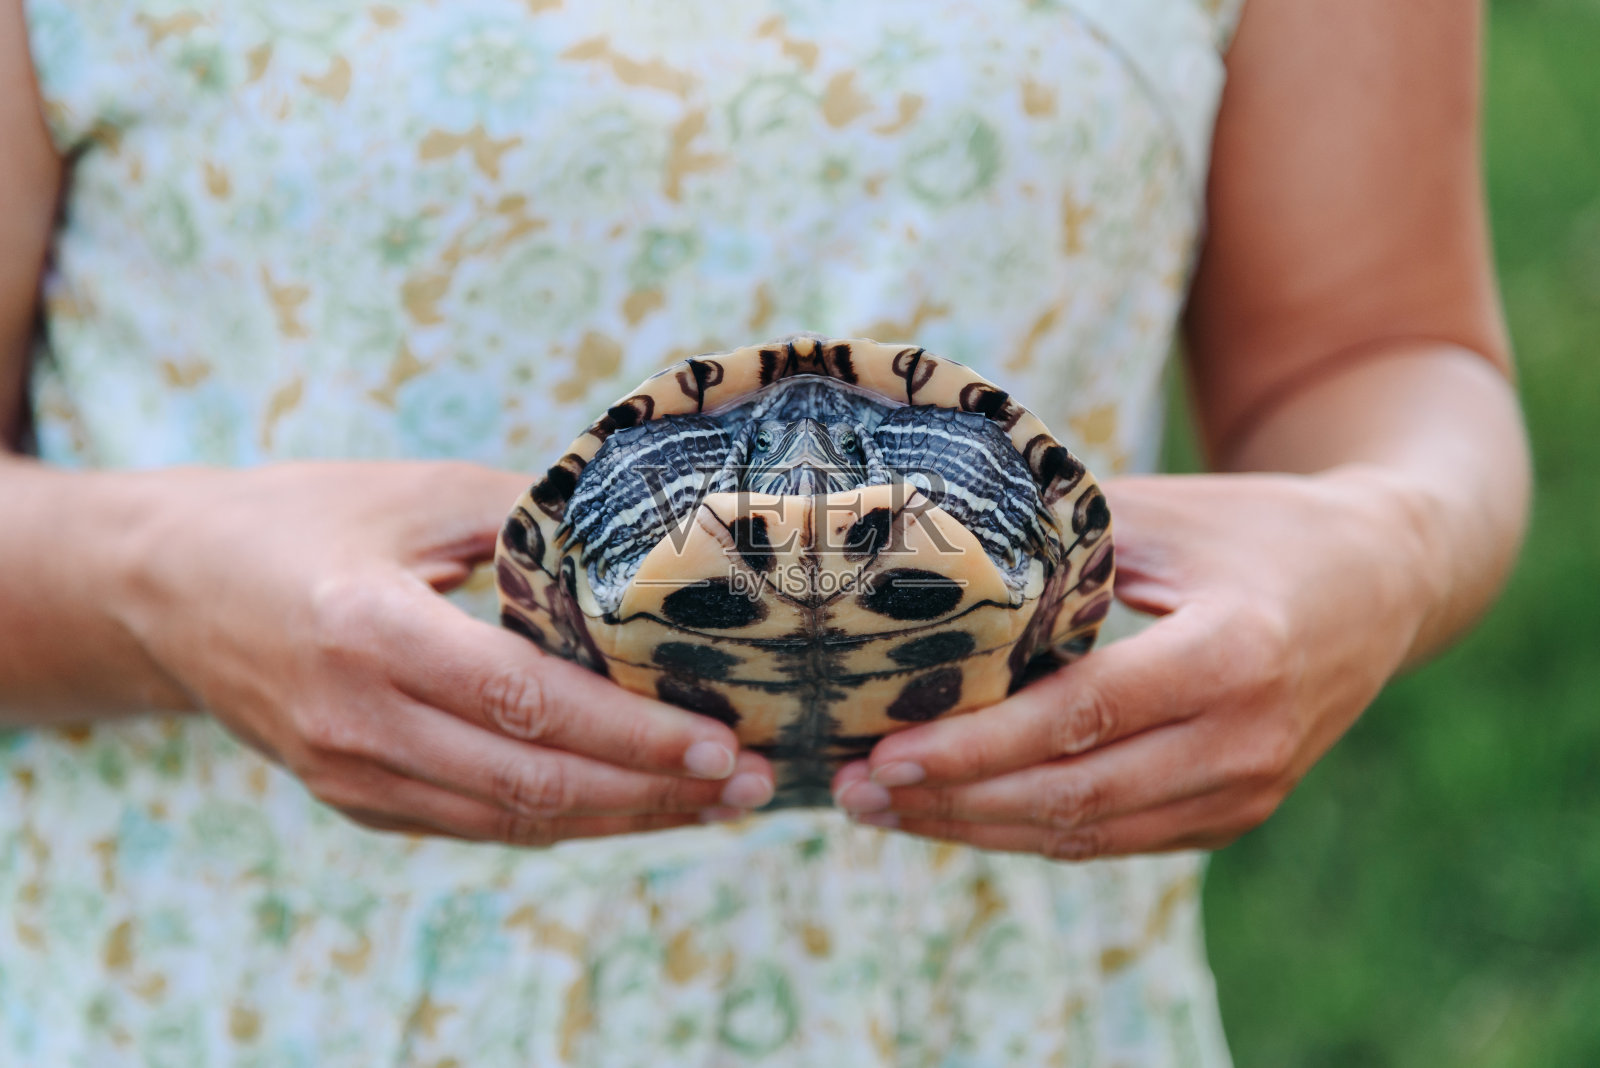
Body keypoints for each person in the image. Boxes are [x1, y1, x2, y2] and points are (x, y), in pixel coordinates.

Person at [0, 0, 1528, 1063]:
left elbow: (1371, 347)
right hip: (239, 1001)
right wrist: (160, 589)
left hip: (983, 1007)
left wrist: (1377, 550)